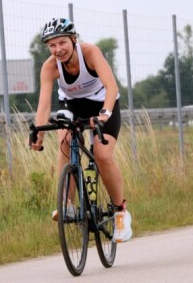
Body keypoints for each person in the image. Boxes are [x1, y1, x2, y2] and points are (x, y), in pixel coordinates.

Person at [30, 17, 132, 243]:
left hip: (102, 103)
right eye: (52, 45)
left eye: (62, 43)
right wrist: (38, 131)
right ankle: (67, 204)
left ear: (73, 40)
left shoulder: (90, 53)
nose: (58, 49)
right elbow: (44, 104)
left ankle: (120, 213)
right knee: (64, 141)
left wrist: (105, 113)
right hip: (72, 105)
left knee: (102, 154)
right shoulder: (49, 67)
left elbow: (111, 86)